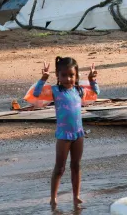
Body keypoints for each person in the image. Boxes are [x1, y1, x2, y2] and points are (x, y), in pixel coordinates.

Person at [35, 57, 99, 209]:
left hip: (78, 134)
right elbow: (37, 93)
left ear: (76, 76)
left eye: (71, 75)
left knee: (76, 165)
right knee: (60, 168)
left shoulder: (78, 90)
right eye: (63, 75)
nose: (68, 79)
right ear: (58, 75)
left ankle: (76, 196)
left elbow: (96, 92)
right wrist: (43, 78)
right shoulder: (56, 91)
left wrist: (92, 79)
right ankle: (53, 198)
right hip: (63, 135)